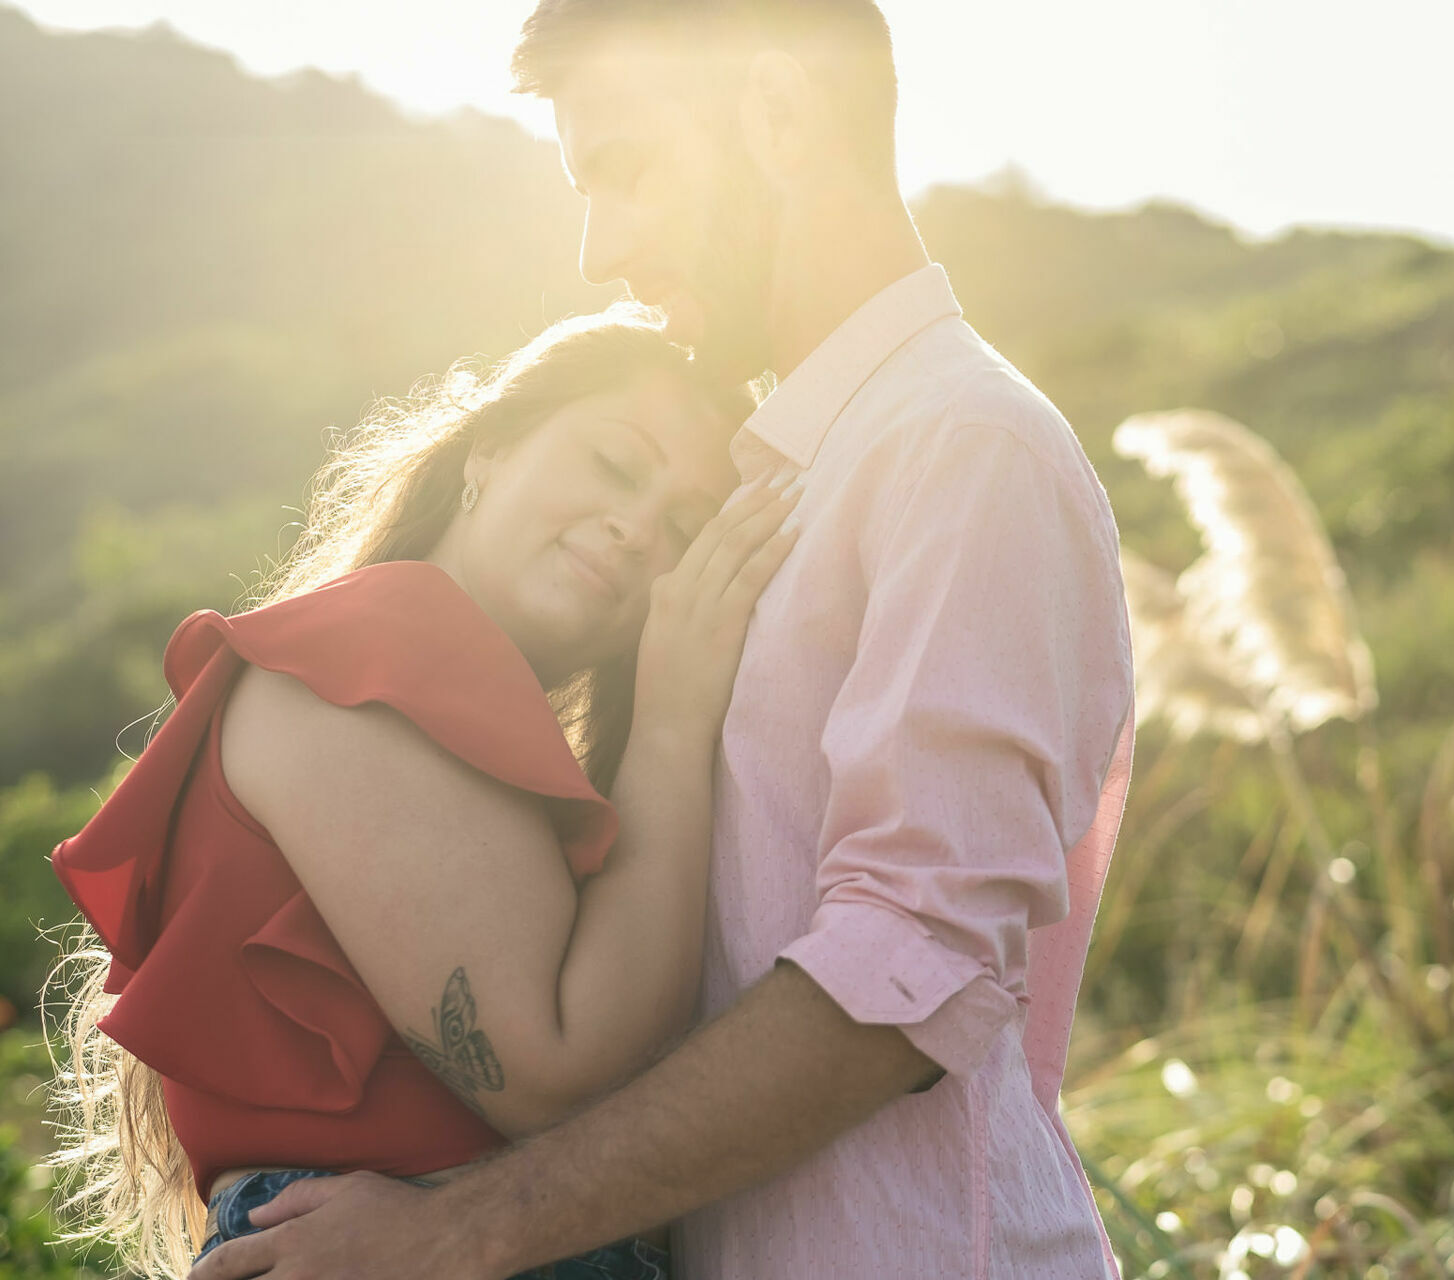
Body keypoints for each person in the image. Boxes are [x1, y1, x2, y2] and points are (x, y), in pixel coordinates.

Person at [186, 2, 1136, 1278]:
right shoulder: (772, 485)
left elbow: (909, 970)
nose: (597, 248)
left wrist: (459, 1228)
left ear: (783, 117)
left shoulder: (958, 445)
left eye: (625, 168)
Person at [49, 303, 794, 1279]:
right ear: (489, 450)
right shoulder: (386, 641)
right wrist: (671, 721)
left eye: (686, 528)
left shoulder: (467, 714)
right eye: (616, 463)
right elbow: (553, 1074)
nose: (637, 524)